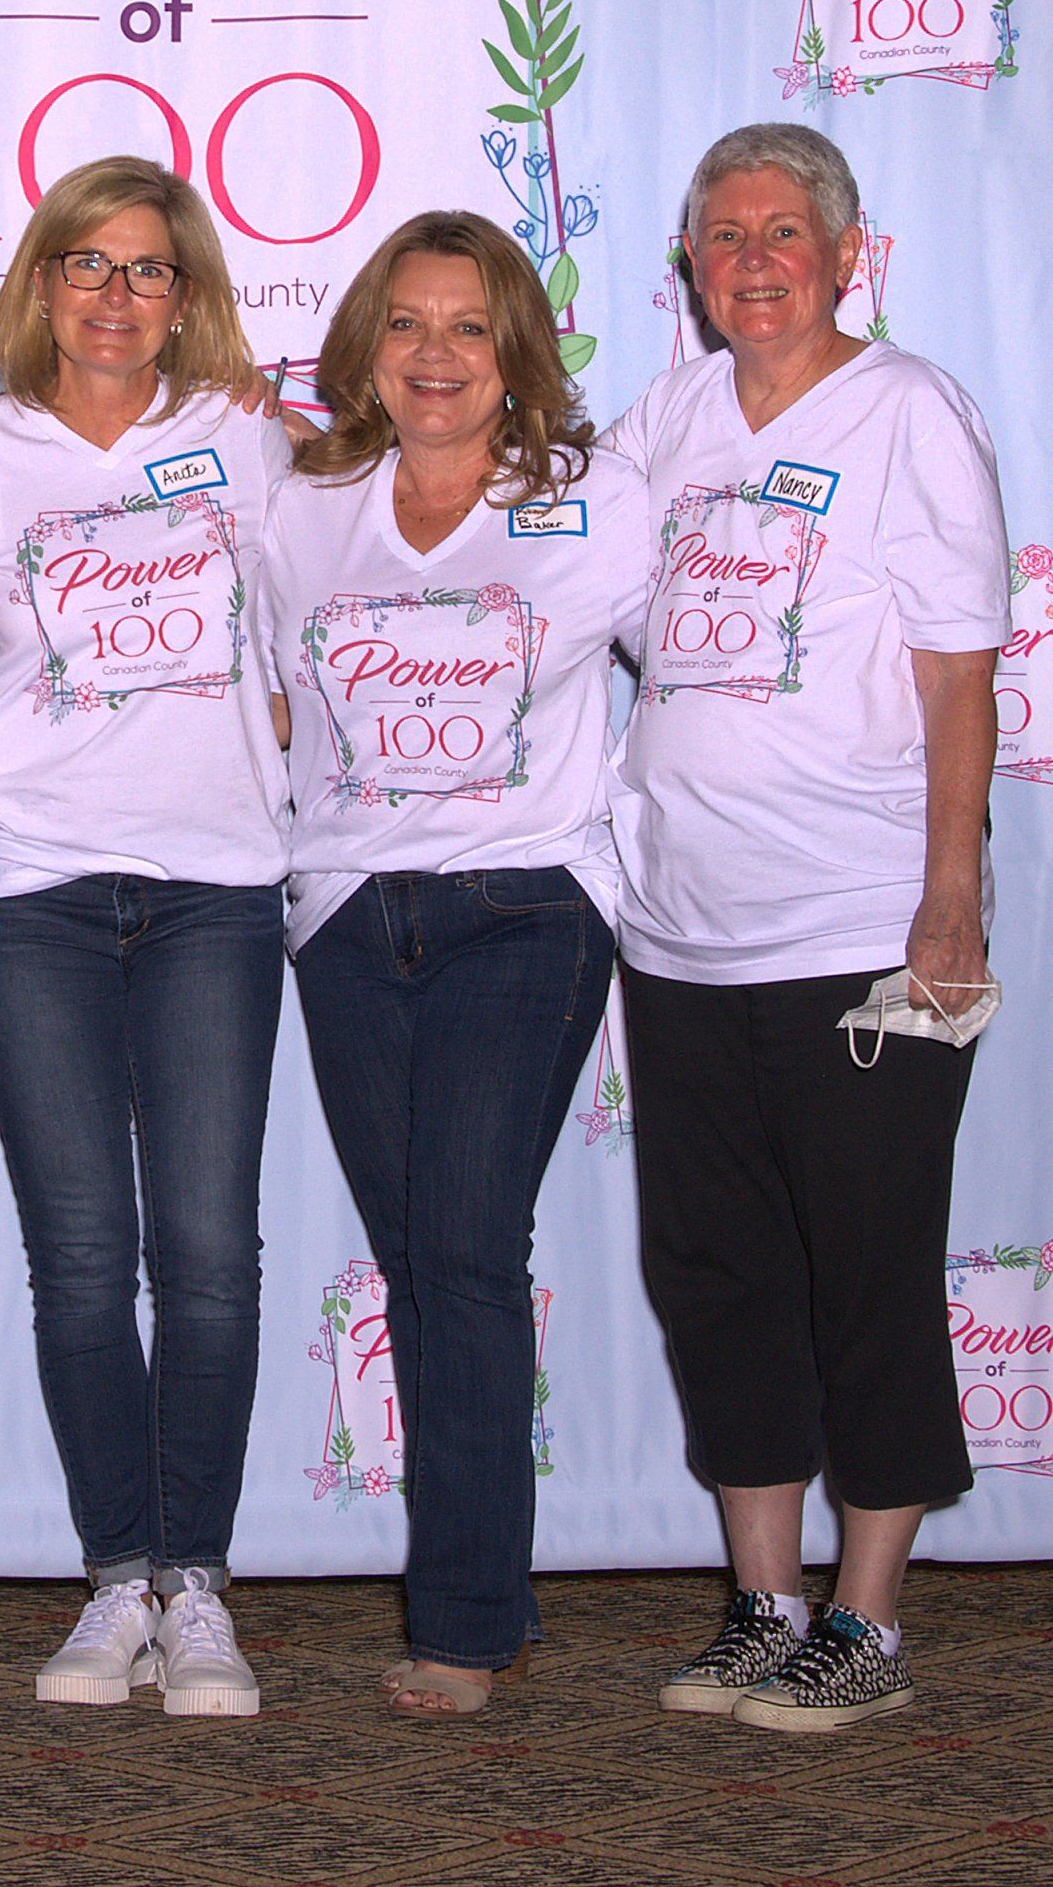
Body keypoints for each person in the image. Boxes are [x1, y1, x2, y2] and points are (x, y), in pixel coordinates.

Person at [607, 122, 1008, 1730]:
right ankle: (763, 1600)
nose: (753, 258)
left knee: (869, 1272)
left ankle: (870, 1619)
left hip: (861, 929)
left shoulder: (908, 410)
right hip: (681, 930)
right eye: (723, 235)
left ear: (846, 252)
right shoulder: (675, 414)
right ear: (690, 273)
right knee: (718, 1274)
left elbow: (961, 663)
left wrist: (952, 885)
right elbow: (557, 553)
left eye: (783, 230)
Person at [266, 210, 645, 1717]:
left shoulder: (593, 499)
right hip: (347, 917)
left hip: (528, 911)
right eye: (409, 325)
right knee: (418, 1259)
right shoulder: (303, 500)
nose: (436, 355)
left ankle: (470, 1617)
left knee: (469, 1249)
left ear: (517, 353)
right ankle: (474, 1592)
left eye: (471, 326)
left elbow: (701, 674)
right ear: (364, 345)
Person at [0, 156, 291, 1716]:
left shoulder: (251, 442)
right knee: (83, 1255)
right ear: (41, 284)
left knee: (209, 1254)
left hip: (219, 886)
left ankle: (199, 1584)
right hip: (26, 891)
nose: (115, 295)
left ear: (187, 295)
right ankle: (114, 1579)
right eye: (86, 264)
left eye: (148, 270)